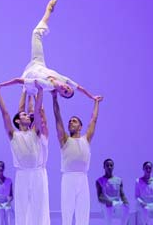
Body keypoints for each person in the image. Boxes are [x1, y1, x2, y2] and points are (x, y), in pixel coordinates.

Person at [0, 0, 96, 101]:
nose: (65, 88)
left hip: (29, 76)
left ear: (60, 93)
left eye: (65, 92)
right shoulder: (64, 80)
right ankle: (49, 9)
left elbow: (18, 80)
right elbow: (80, 88)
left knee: (28, 93)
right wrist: (92, 97)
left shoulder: (47, 85)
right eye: (68, 88)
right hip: (38, 63)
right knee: (36, 33)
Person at [0, 69, 49, 225]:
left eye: (26, 115)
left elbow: (37, 110)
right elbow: (5, 114)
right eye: (23, 115)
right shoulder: (13, 135)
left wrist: (40, 91)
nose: (26, 115)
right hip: (22, 175)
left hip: (36, 174)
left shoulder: (35, 131)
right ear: (17, 121)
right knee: (22, 209)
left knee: (38, 207)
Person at [52, 89, 102, 225]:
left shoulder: (86, 139)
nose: (70, 123)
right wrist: (54, 98)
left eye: (74, 121)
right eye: (70, 121)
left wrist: (96, 102)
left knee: (83, 214)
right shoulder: (64, 140)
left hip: (83, 179)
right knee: (67, 214)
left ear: (80, 126)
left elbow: (94, 120)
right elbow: (57, 117)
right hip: (68, 178)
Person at [96, 159, 129, 225]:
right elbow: (100, 197)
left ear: (113, 167)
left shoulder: (119, 180)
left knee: (126, 207)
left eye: (111, 165)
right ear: (104, 167)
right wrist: (107, 201)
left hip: (116, 202)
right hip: (106, 203)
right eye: (107, 165)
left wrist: (125, 201)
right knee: (109, 210)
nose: (109, 167)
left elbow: (122, 194)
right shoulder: (99, 181)